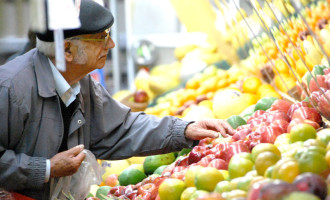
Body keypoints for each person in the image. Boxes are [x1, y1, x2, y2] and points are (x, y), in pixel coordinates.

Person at [0, 0, 234, 199]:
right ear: (67, 50)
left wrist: (184, 130)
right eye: (101, 37)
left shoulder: (80, 82)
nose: (111, 44)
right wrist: (46, 168)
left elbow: (122, 128)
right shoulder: (10, 88)